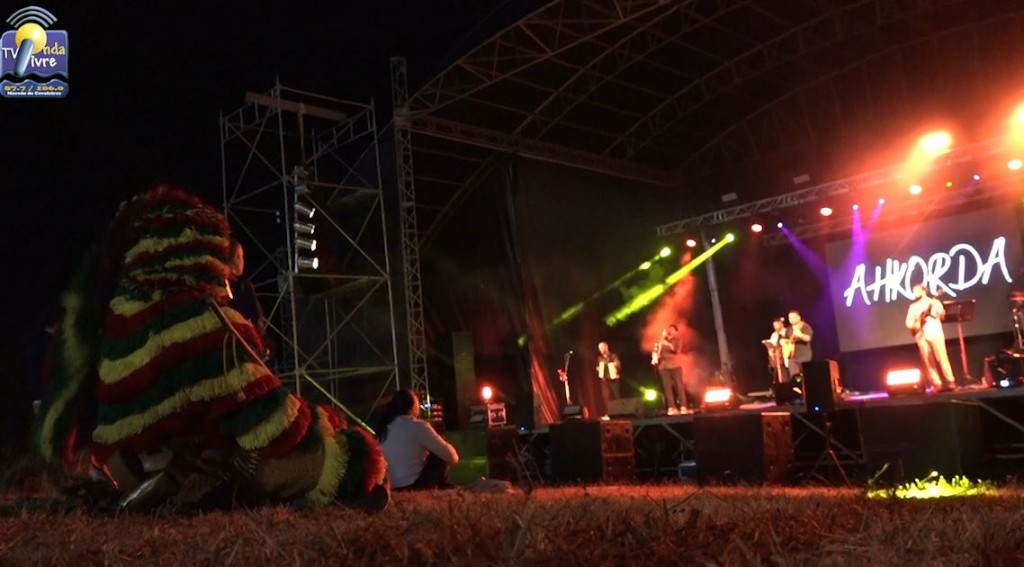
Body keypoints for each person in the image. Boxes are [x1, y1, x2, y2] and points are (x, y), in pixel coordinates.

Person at [378, 389, 460, 490]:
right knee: (439, 456)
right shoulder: (417, 426)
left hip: (391, 486)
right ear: (413, 407)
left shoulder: (384, 428)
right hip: (413, 485)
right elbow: (450, 456)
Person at [905, 283, 956, 392]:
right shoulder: (913, 307)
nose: (914, 293)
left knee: (942, 357)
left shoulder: (935, 302)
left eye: (916, 290)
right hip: (921, 336)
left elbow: (941, 316)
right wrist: (916, 324)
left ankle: (950, 381)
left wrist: (932, 312)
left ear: (923, 290)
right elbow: (908, 323)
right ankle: (936, 383)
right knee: (927, 361)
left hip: (935, 333)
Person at [226, 237, 266, 334]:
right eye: (241, 256)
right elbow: (258, 321)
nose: (243, 261)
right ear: (236, 257)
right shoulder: (243, 287)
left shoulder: (218, 282)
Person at [653, 324, 687, 415]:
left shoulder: (677, 340)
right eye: (669, 329)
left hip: (675, 365)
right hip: (664, 367)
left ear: (676, 332)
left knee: (679, 386)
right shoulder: (662, 341)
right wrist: (655, 355)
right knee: (667, 387)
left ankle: (683, 406)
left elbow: (677, 351)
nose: (670, 331)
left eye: (672, 329)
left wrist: (667, 344)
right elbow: (657, 351)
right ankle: (671, 407)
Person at [782, 310, 813, 379]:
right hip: (792, 357)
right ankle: (797, 385)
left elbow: (808, 338)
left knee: (805, 377)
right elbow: (784, 339)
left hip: (804, 356)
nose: (791, 319)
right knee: (795, 377)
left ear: (799, 317)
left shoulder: (805, 326)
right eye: (790, 318)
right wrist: (783, 341)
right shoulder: (789, 329)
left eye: (793, 317)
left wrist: (801, 335)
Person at [595, 341, 622, 420]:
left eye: (602, 348)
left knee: (616, 395)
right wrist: (598, 369)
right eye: (600, 348)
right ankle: (609, 413)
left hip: (613, 379)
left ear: (606, 347)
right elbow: (597, 367)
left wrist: (615, 365)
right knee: (605, 397)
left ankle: (620, 412)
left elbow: (618, 365)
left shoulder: (613, 356)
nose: (601, 350)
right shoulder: (600, 358)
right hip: (605, 380)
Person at [761, 317, 788, 383]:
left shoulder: (787, 331)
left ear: (781, 324)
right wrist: (770, 350)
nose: (775, 327)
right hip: (778, 358)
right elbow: (772, 345)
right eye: (774, 325)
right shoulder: (774, 335)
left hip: (787, 355)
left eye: (776, 324)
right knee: (782, 376)